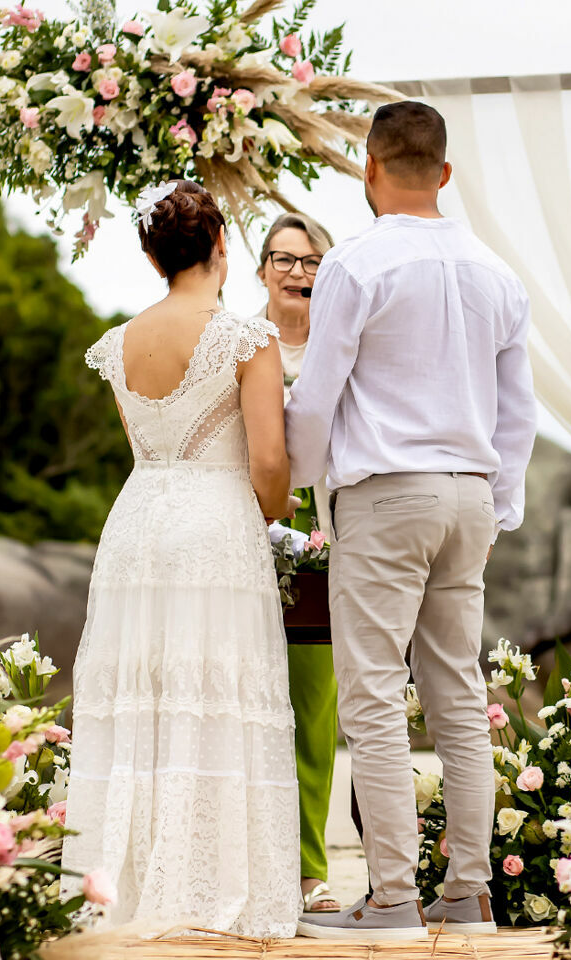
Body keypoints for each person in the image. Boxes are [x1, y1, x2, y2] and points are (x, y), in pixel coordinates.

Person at [287, 102, 538, 940]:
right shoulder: (496, 273)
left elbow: (317, 394)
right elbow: (518, 412)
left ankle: (391, 897)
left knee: (370, 696)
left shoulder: (355, 264)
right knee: (458, 699)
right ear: (445, 172)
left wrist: (287, 479)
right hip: (469, 493)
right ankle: (467, 896)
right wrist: (497, 506)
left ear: (367, 167)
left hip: (387, 492)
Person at [60, 179, 300, 938]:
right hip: (216, 525)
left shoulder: (119, 342)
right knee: (215, 692)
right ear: (222, 246)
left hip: (137, 524)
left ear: (149, 253)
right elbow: (268, 460)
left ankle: (122, 886)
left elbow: (144, 449)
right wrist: (278, 511)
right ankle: (211, 890)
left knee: (146, 696)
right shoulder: (243, 337)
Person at [258, 212, 343, 915]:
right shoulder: (236, 345)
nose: (297, 272)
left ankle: (309, 867)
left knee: (312, 715)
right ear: (260, 270)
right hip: (240, 541)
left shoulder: (344, 352)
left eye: (313, 262)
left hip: (321, 552)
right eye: (284, 259)